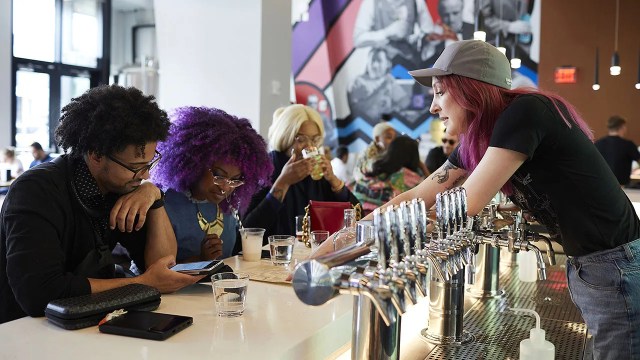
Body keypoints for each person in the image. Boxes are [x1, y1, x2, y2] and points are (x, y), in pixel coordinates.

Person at [363, 40, 639, 359]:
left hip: (616, 265)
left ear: (470, 90)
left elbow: (465, 205)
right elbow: (417, 195)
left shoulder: (525, 112)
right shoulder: (483, 138)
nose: (432, 107)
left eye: (439, 92)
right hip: (595, 267)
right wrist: (343, 239)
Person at [0, 85, 200, 324]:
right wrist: (142, 283)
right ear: (96, 154)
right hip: (26, 330)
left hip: (92, 320)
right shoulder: (36, 190)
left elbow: (162, 265)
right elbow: (39, 294)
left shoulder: (123, 187)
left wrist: (155, 196)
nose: (146, 174)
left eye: (150, 163)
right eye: (136, 167)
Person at [151, 107, 273, 262]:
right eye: (219, 175)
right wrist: (200, 259)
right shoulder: (164, 203)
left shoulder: (228, 205)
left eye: (235, 179)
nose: (226, 187)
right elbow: (156, 271)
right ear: (195, 162)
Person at [243, 104, 360, 239]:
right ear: (285, 137)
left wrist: (334, 181)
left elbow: (357, 216)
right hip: (272, 255)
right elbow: (248, 231)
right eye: (301, 139)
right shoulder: (264, 168)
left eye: (315, 139)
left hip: (312, 253)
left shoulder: (317, 174)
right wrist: (283, 183)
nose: (310, 146)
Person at [353, 135, 425, 212]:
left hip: (360, 216)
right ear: (414, 156)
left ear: (390, 151)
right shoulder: (412, 178)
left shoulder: (374, 168)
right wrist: (423, 167)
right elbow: (429, 197)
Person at [594, 115, 640, 187]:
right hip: (622, 187)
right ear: (622, 127)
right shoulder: (628, 145)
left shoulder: (598, 144)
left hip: (602, 186)